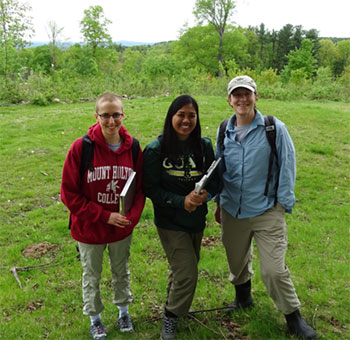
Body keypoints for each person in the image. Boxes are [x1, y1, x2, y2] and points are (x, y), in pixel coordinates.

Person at [214, 76, 317, 340]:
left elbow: (288, 165)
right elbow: (218, 168)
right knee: (236, 262)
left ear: (256, 97)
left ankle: (293, 317)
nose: (242, 99)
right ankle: (243, 299)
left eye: (246, 94)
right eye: (236, 95)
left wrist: (283, 204)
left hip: (266, 210)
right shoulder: (223, 128)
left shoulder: (274, 128)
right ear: (229, 100)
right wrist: (217, 202)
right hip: (232, 210)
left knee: (273, 270)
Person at [61, 93, 145, 340]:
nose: (111, 121)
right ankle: (95, 318)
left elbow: (140, 190)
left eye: (116, 115)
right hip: (89, 228)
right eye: (105, 115)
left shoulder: (134, 148)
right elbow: (69, 194)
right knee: (92, 274)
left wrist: (131, 218)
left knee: (121, 271)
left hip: (121, 228)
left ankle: (123, 311)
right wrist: (105, 216)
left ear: (123, 115)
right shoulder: (82, 148)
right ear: (96, 116)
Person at [143, 95, 219, 340]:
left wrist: (206, 195)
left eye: (191, 115)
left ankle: (174, 304)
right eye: (181, 115)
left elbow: (215, 178)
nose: (186, 121)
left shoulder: (204, 145)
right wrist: (180, 201)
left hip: (196, 220)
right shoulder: (156, 150)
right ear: (171, 117)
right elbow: (150, 189)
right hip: (170, 221)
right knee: (187, 273)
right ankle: (171, 317)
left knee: (183, 269)